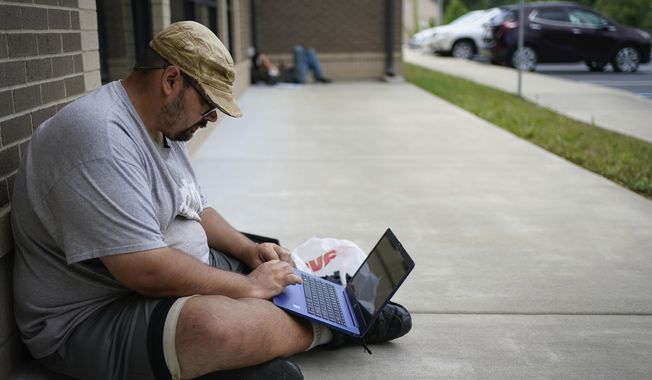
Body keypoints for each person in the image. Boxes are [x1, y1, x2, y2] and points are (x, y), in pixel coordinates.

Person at [11, 21, 410, 380]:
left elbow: (196, 208)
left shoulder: (160, 125)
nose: (211, 118)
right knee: (216, 327)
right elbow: (144, 271)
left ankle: (311, 317)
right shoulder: (100, 139)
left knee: (272, 265)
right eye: (208, 105)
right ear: (171, 80)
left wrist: (248, 251)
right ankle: (334, 327)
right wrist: (246, 288)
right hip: (93, 317)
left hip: (169, 284)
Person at [251, 46, 332, 85]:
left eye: (266, 57)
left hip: (296, 72)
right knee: (298, 50)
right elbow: (272, 81)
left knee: (311, 52)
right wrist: (269, 67)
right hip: (297, 77)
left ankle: (318, 76)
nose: (267, 59)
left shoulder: (271, 67)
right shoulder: (264, 73)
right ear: (260, 62)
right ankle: (318, 76)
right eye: (264, 59)